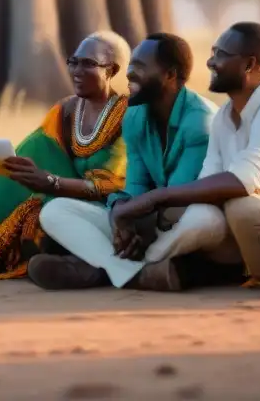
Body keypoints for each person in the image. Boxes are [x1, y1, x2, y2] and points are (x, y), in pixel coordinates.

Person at [108, 22, 260, 291]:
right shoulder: (223, 118)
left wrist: (153, 199)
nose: (210, 62)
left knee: (238, 206)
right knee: (200, 214)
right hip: (250, 237)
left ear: (249, 66)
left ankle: (132, 268)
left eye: (220, 55)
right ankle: (141, 264)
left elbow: (242, 182)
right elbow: (205, 184)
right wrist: (126, 211)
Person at [0, 31, 131, 281]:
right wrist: (32, 174)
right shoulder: (65, 110)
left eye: (89, 64)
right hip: (57, 197)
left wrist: (51, 182)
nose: (77, 71)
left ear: (111, 71)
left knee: (44, 195)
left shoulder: (127, 115)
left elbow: (112, 185)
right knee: (27, 156)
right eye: (74, 61)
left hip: (106, 208)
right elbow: (38, 153)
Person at [34, 33, 216, 289]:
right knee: (55, 211)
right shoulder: (134, 115)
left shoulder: (199, 122)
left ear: (170, 75)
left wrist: (127, 215)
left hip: (182, 217)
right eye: (131, 65)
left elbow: (176, 197)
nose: (129, 73)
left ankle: (101, 269)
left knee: (204, 219)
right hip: (151, 218)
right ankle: (135, 273)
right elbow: (135, 186)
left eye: (140, 67)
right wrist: (120, 214)